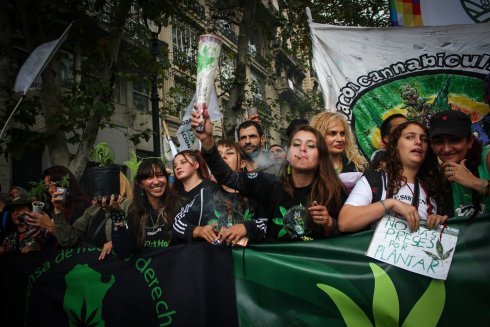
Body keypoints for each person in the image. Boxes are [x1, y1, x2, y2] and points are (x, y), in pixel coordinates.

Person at [192, 109, 347, 241]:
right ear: (288, 153)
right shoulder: (269, 184)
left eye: (311, 145)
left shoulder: (334, 190)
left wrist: (329, 224)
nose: (303, 149)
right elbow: (228, 177)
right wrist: (207, 141)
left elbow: (352, 236)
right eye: (297, 144)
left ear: (320, 155)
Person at [338, 121, 447, 233]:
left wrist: (437, 222)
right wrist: (390, 203)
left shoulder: (434, 188)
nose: (418, 142)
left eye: (424, 139)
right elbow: (345, 222)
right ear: (395, 146)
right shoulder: (375, 180)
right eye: (410, 137)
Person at [173, 140, 268, 245]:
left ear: (242, 163)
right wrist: (197, 231)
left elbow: (269, 224)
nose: (222, 157)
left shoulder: (255, 192)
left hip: (248, 259)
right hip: (212, 258)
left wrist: (246, 227)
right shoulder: (206, 193)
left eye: (229, 153)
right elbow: (177, 223)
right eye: (218, 154)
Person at [111, 158, 182, 258]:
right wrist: (116, 214)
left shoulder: (180, 205)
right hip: (147, 271)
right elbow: (123, 251)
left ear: (166, 179)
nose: (156, 181)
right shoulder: (134, 212)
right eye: (149, 177)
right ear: (141, 184)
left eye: (160, 175)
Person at [429, 110, 490, 218]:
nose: (447, 149)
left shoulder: (487, 157)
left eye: (454, 140)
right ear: (432, 145)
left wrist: (474, 182)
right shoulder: (437, 174)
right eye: (439, 142)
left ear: (469, 141)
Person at [0, 188, 43, 255]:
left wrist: (37, 247)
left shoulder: (40, 231)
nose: (15, 213)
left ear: (30, 210)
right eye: (12, 210)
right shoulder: (8, 238)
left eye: (20, 208)